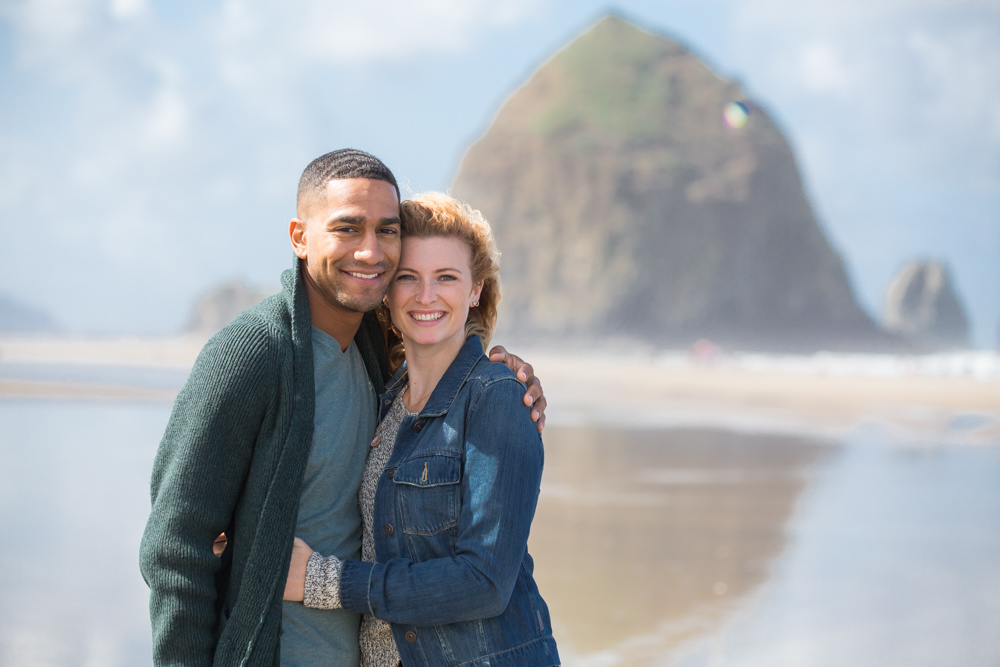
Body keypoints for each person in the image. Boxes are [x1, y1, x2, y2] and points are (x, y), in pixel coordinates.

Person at [139, 150, 547, 667]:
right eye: (348, 228)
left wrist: (510, 379)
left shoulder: (377, 359)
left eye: (387, 231)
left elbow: (480, 571)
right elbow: (177, 551)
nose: (371, 252)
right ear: (300, 237)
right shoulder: (252, 355)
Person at [283, 192, 560, 667]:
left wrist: (322, 581)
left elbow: (485, 583)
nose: (426, 296)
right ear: (388, 289)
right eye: (408, 277)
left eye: (446, 278)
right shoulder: (384, 399)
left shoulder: (497, 396)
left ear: (475, 290)